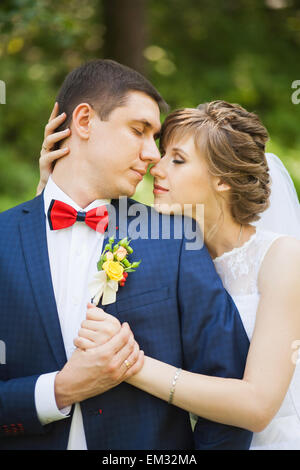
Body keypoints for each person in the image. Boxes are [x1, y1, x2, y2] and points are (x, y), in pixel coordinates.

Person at [0, 60, 252, 450]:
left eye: (156, 138)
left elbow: (230, 395)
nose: (153, 155)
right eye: (139, 131)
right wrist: (58, 391)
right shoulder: (5, 239)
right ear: (83, 121)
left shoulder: (176, 239)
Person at [40, 99, 300, 450]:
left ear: (222, 180)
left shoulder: (282, 257)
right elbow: (64, 266)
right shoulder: (157, 245)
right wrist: (49, 187)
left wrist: (130, 364)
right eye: (163, 154)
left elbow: (257, 407)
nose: (155, 168)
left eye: (177, 160)